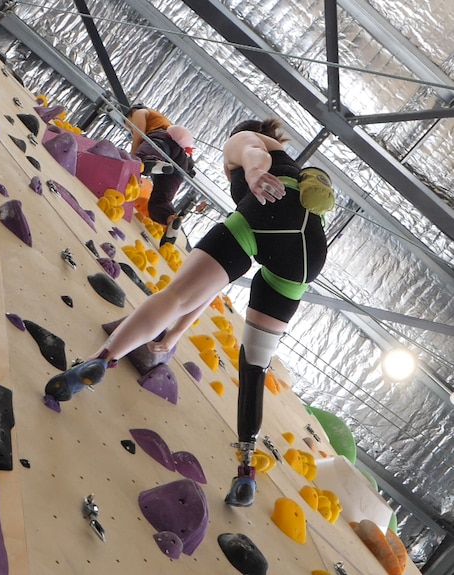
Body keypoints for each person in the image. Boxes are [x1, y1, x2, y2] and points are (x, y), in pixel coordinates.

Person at [45, 117, 329, 507]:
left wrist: (254, 175)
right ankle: (246, 468)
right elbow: (212, 290)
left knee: (175, 294)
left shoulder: (245, 138)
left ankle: (101, 359)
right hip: (305, 255)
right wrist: (176, 334)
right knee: (254, 364)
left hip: (267, 216)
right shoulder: (292, 165)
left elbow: (250, 152)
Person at [123, 104, 195, 227]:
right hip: (181, 159)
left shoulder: (140, 112)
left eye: (130, 125)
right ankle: (170, 219)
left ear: (133, 111)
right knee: (159, 201)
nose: (131, 130)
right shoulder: (163, 120)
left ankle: (152, 162)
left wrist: (132, 163)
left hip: (161, 141)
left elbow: (138, 137)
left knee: (141, 156)